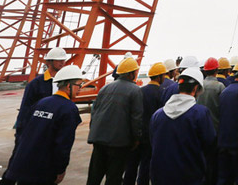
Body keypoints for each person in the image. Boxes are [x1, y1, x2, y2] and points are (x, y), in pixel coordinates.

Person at [1, 64, 83, 185]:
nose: (81, 88)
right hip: (43, 170)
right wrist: (60, 169)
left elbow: (25, 130)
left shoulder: (41, 103)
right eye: (79, 85)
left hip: (23, 163)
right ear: (68, 85)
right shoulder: (69, 109)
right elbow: (63, 145)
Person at [149, 67, 217, 185]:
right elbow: (210, 143)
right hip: (190, 176)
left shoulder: (157, 115)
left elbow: (153, 141)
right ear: (196, 88)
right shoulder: (200, 113)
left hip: (160, 176)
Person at [87, 57, 144, 185]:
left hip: (99, 139)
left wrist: (94, 132)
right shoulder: (135, 90)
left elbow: (94, 113)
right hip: (119, 143)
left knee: (94, 176)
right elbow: (136, 118)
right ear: (131, 74)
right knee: (114, 178)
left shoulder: (104, 89)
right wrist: (136, 138)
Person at [124, 62, 169, 185]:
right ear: (159, 76)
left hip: (137, 135)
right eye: (164, 75)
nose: (165, 78)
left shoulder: (139, 90)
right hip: (151, 137)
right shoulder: (162, 93)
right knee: (145, 167)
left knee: (131, 166)